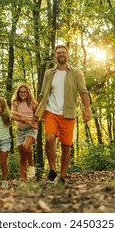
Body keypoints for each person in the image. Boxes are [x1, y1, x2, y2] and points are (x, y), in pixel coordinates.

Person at [34, 44, 91, 184]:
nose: (61, 54)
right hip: (51, 112)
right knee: (49, 138)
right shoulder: (49, 74)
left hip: (68, 113)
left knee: (66, 146)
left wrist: (87, 109)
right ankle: (53, 171)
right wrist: (37, 112)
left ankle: (63, 175)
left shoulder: (76, 73)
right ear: (55, 56)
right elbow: (42, 94)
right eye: (58, 52)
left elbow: (83, 91)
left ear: (67, 55)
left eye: (63, 52)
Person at [11, 84, 38, 182]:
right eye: (21, 92)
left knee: (26, 146)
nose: (23, 94)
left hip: (31, 129)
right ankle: (23, 180)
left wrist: (32, 123)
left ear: (28, 93)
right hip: (20, 131)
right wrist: (23, 117)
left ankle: (31, 165)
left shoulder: (33, 103)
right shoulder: (15, 102)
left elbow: (38, 116)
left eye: (25, 92)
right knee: (22, 157)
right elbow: (12, 115)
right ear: (18, 93)